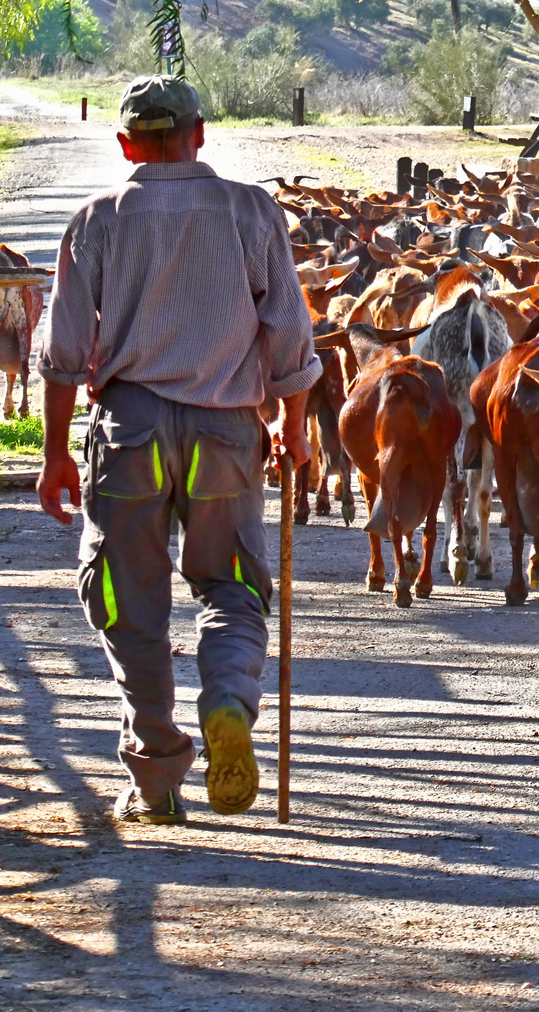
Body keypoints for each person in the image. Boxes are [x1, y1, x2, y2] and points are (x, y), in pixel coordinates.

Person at [36, 75, 320, 825]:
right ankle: (227, 697)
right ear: (199, 134)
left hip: (129, 434)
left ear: (126, 142)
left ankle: (157, 777)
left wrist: (55, 453)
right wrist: (293, 424)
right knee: (233, 587)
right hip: (225, 433)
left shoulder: (96, 219)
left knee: (129, 602)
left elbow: (63, 351)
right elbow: (289, 331)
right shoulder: (251, 209)